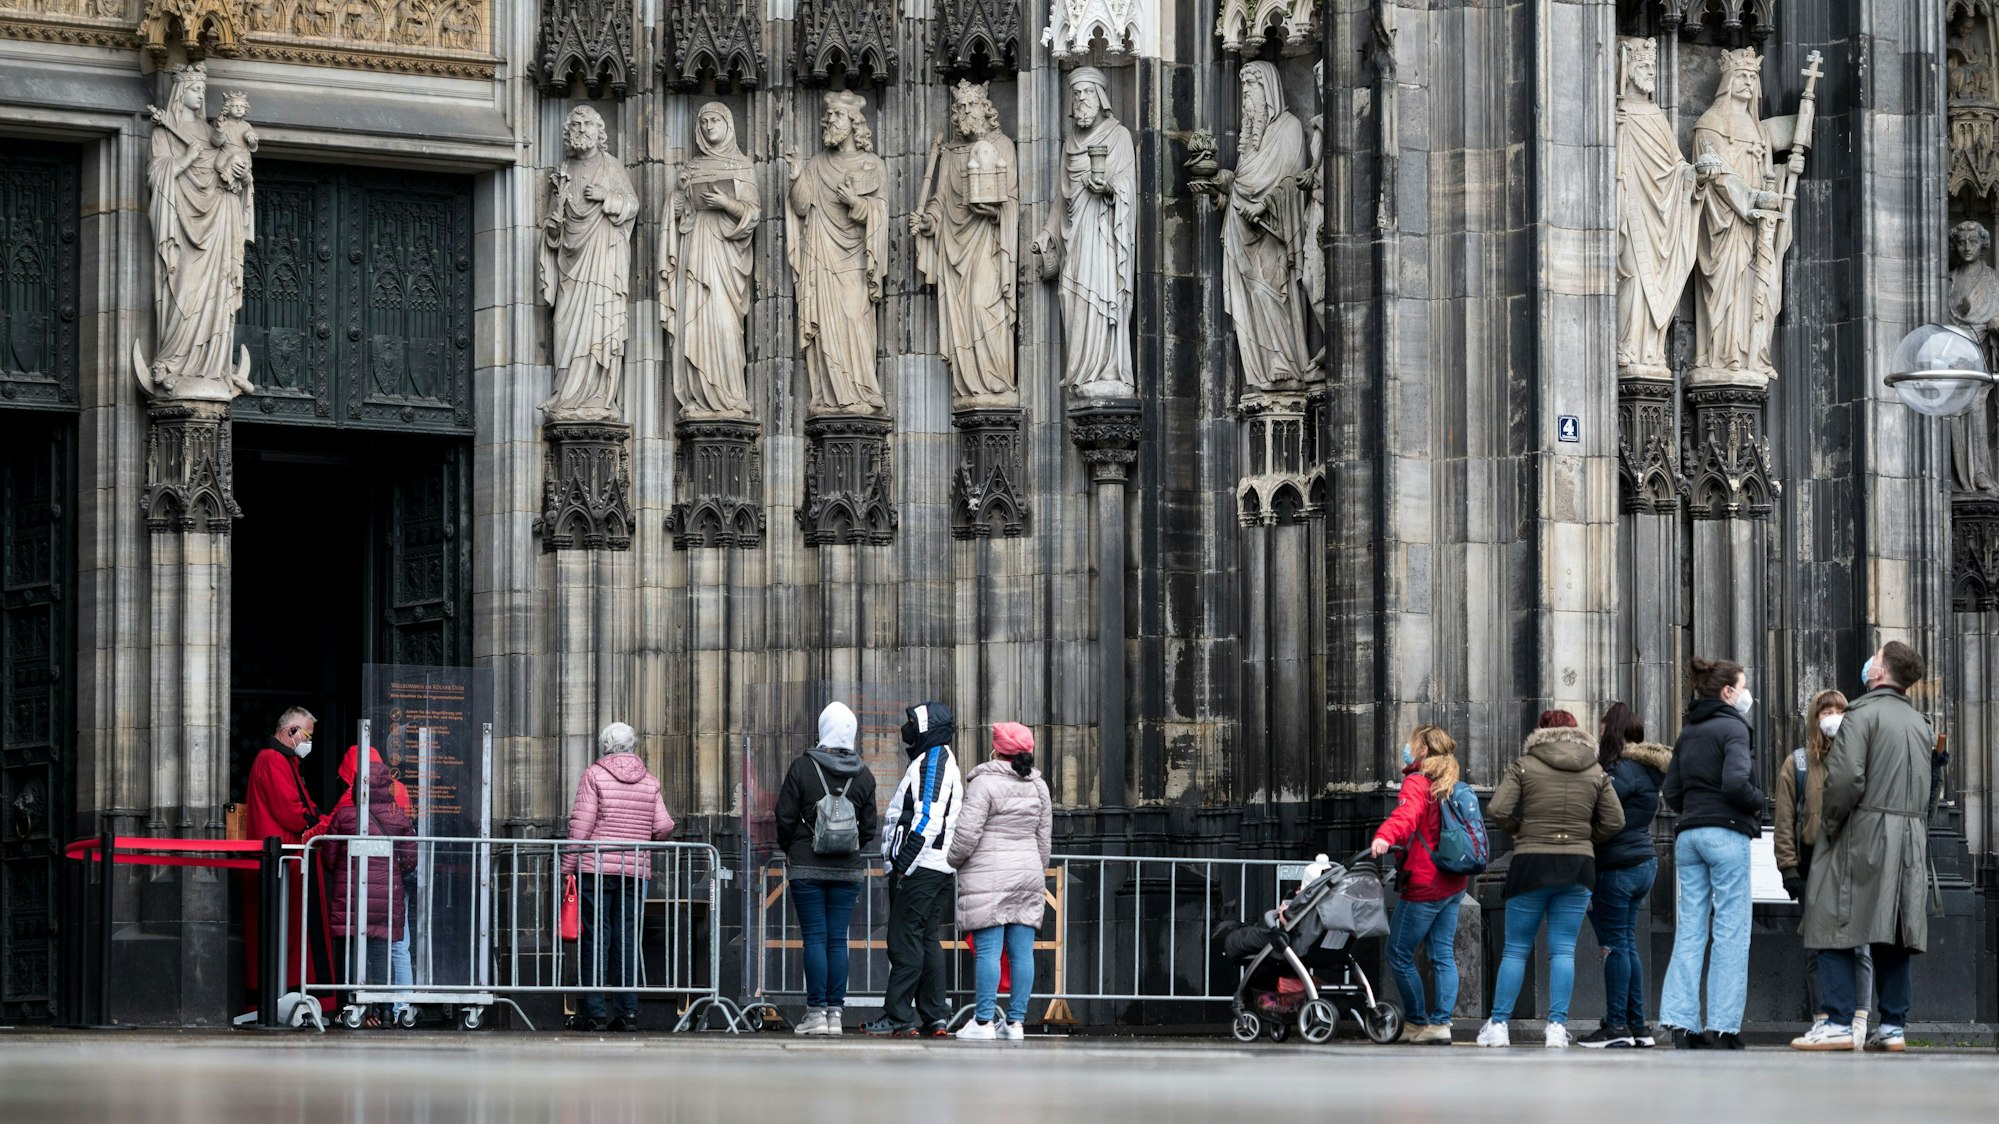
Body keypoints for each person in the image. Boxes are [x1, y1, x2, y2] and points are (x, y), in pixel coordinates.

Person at [1792, 642, 1936, 1053]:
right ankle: (1892, 1026)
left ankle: (1836, 1021)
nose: (1869, 661)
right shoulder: (1919, 722)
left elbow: (1844, 781)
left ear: (1880, 671)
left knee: (1833, 917)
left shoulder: (1861, 714)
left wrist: (1831, 829)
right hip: (1910, 835)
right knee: (1894, 930)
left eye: (1873, 656)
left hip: (1864, 829)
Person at [1478, 710, 1624, 1049]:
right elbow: (1615, 820)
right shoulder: (1595, 769)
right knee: (1563, 951)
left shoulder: (1525, 764)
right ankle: (1556, 1028)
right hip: (1577, 865)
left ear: (1541, 732)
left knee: (1515, 949)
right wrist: (1585, 840)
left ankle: (1499, 1025)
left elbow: (1498, 809)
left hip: (1531, 863)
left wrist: (1520, 830)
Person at [1659, 656, 1765, 1049]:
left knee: (1690, 930)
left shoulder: (1689, 733)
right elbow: (1737, 781)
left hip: (1689, 836)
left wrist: (1695, 809)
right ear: (1727, 692)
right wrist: (1757, 803)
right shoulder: (1735, 728)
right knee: (1731, 932)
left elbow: (1671, 791)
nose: (1746, 693)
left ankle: (1680, 1024)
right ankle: (1723, 1028)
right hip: (1727, 833)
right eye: (1742, 685)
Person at [560, 722, 675, 1032]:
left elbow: (581, 827)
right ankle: (628, 1013)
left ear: (605, 746)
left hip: (597, 868)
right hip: (634, 869)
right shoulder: (650, 782)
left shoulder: (594, 775)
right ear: (632, 745)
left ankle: (594, 1012)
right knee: (626, 937)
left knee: (596, 935)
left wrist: (567, 865)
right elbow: (664, 826)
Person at [773, 702, 879, 1037]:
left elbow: (784, 816)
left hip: (806, 865)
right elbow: (869, 828)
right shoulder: (864, 775)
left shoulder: (803, 767)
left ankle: (815, 1013)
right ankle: (835, 1014)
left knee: (814, 939)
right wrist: (849, 846)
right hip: (847, 870)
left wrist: (790, 848)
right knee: (837, 940)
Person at [1775, 689, 1874, 1042]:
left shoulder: (1861, 757)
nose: (1832, 716)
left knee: (1859, 944)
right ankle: (1824, 1017)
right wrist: (1788, 869)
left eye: (1839, 710)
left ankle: (1859, 1019)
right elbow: (1784, 820)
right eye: (1825, 710)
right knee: (1818, 946)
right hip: (1813, 863)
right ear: (1815, 718)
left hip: (1854, 861)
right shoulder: (1798, 763)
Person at [947, 722, 1053, 1041]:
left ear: (997, 749)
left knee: (989, 952)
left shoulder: (984, 784)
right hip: (1028, 875)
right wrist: (1036, 869)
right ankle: (1016, 1023)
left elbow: (966, 834)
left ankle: (982, 1023)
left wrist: (952, 860)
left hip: (989, 876)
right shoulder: (1039, 787)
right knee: (1023, 953)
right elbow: (1044, 841)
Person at [866, 701, 964, 1037]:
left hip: (921, 866)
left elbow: (928, 816)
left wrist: (903, 863)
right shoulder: (933, 760)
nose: (906, 728)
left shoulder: (933, 761)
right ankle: (934, 1015)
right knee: (925, 939)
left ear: (927, 729)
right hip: (933, 866)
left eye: (912, 722)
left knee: (904, 938)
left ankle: (898, 1016)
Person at [1577, 703, 1671, 1049]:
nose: (1599, 735)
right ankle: (1638, 1026)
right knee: (1626, 945)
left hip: (1617, 865)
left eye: (1602, 730)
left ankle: (1617, 1026)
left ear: (1611, 731)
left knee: (1614, 946)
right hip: (1643, 861)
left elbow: (1599, 811)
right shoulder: (1648, 769)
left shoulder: (1620, 771)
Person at [1368, 724, 1469, 1045]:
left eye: (1411, 743)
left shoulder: (1417, 781)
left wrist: (1385, 836)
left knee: (1398, 953)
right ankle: (1440, 1025)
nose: (1407, 748)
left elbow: (1407, 815)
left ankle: (1414, 1022)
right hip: (1454, 883)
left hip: (1425, 883)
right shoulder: (1452, 781)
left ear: (1423, 750)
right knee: (1443, 955)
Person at [323, 748, 417, 1028]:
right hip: (387, 896)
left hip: (351, 895)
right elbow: (410, 858)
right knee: (384, 952)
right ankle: (387, 1009)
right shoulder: (398, 817)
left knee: (352, 950)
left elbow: (328, 856)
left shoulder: (345, 816)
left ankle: (353, 1006)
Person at [242, 706, 325, 1004]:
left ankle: (283, 992)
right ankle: (278, 994)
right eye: (306, 735)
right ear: (291, 731)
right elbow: (290, 811)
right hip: (281, 857)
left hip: (285, 857)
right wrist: (317, 822)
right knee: (281, 929)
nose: (308, 742)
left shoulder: (280, 760)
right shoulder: (273, 760)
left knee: (286, 929)